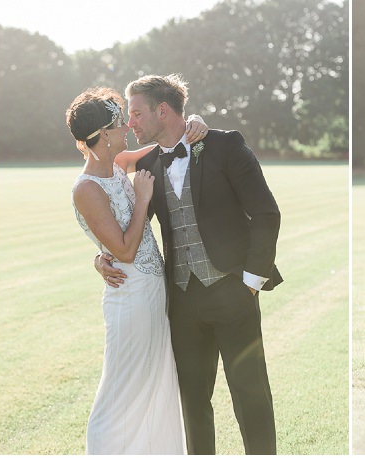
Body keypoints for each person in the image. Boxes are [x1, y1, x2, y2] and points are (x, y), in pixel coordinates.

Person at [95, 74, 281, 454]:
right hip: (181, 303)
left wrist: (251, 280)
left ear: (162, 110)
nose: (131, 123)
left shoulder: (225, 145)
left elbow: (266, 213)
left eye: (136, 113)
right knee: (193, 404)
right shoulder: (145, 163)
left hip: (234, 292)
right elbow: (127, 227)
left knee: (251, 395)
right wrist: (101, 257)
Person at [67, 87, 208, 453]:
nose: (127, 127)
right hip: (129, 298)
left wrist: (194, 122)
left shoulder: (116, 164)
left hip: (154, 291)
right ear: (100, 136)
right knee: (120, 389)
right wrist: (142, 198)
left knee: (154, 384)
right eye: (118, 124)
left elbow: (166, 142)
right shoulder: (86, 188)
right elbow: (125, 251)